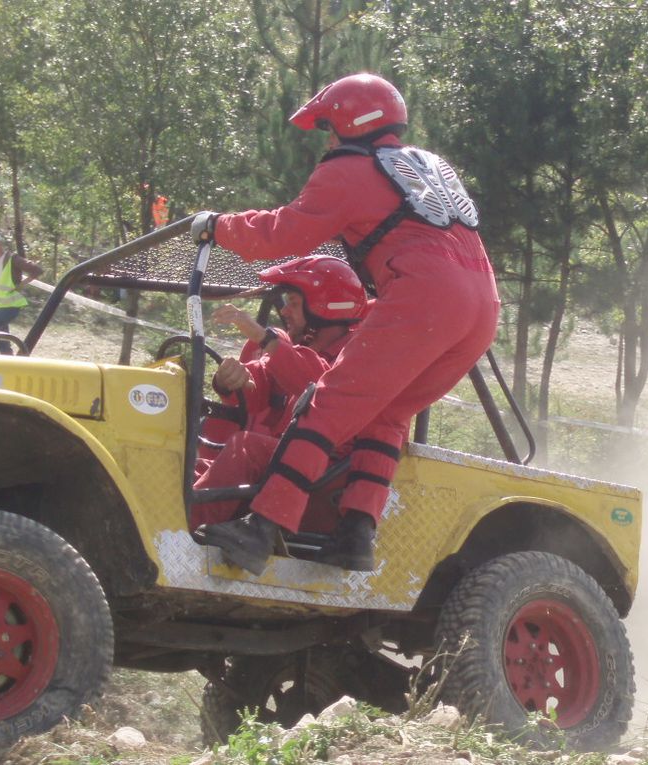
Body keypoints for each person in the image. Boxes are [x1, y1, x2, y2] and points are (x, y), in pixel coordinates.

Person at [190, 72, 500, 574]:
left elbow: (280, 234)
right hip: (483, 304)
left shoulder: (352, 168)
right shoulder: (427, 169)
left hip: (426, 294)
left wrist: (217, 225)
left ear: (354, 122)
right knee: (387, 415)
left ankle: (261, 528)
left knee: (326, 405)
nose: (329, 141)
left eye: (330, 128)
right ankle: (355, 536)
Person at [191, 254, 367, 533]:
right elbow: (262, 380)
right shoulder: (300, 350)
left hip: (328, 476)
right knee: (190, 464)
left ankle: (179, 529)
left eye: (294, 304)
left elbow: (319, 383)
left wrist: (265, 338)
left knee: (246, 447)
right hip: (291, 464)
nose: (285, 312)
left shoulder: (358, 351)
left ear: (325, 308)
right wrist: (232, 380)